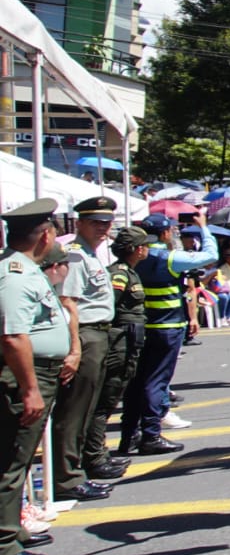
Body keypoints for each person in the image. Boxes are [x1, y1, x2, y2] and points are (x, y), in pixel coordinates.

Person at [0, 200, 73, 555]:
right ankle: (3, 542)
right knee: (12, 459)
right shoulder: (15, 274)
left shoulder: (24, 269)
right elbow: (13, 336)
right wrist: (30, 389)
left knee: (22, 457)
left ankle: (12, 528)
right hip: (25, 376)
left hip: (38, 372)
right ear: (45, 236)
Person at [126, 211, 217, 455]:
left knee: (138, 381)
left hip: (141, 326)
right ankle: (151, 434)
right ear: (166, 233)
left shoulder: (135, 256)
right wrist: (203, 227)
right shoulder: (169, 258)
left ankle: (130, 435)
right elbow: (211, 256)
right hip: (167, 326)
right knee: (157, 382)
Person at [51, 197, 121, 502]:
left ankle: (77, 468)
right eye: (95, 223)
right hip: (86, 335)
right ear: (79, 223)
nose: (102, 228)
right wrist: (75, 347)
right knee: (75, 409)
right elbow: (68, 303)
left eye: (106, 223)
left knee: (88, 407)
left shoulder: (91, 254)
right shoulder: (76, 256)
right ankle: (67, 477)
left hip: (98, 334)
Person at [98, 226, 153, 473]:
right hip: (120, 339)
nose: (147, 249)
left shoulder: (130, 272)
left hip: (130, 340)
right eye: (145, 245)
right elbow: (110, 306)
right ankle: (96, 455)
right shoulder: (119, 274)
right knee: (108, 397)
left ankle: (106, 449)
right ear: (137, 249)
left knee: (122, 391)